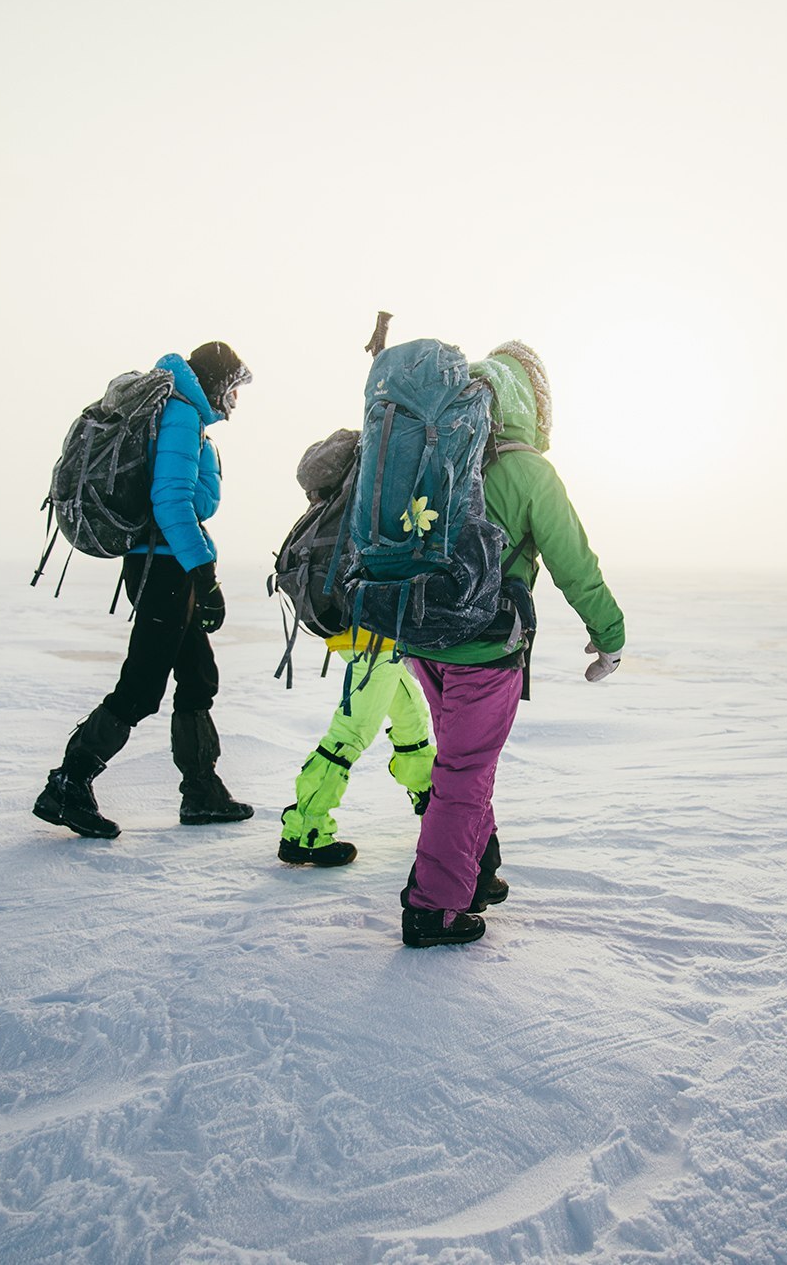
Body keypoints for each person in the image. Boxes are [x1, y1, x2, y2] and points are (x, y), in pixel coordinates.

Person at [399, 340, 626, 947]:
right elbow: (575, 565)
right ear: (530, 400)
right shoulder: (529, 472)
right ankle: (433, 908)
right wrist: (611, 637)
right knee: (464, 775)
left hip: (423, 637)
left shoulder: (430, 454)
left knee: (461, 765)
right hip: (485, 647)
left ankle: (475, 874)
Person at [33, 342, 256, 838]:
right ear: (217, 381)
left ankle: (201, 791)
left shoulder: (181, 414)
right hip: (165, 567)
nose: (237, 400)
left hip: (167, 562)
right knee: (143, 684)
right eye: (235, 387)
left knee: (198, 676)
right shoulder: (179, 415)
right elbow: (172, 502)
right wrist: (204, 574)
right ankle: (69, 783)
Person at [277, 628, 437, 868]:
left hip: (380, 638)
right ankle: (305, 832)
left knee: (411, 717)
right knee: (351, 733)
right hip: (373, 640)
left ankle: (433, 808)